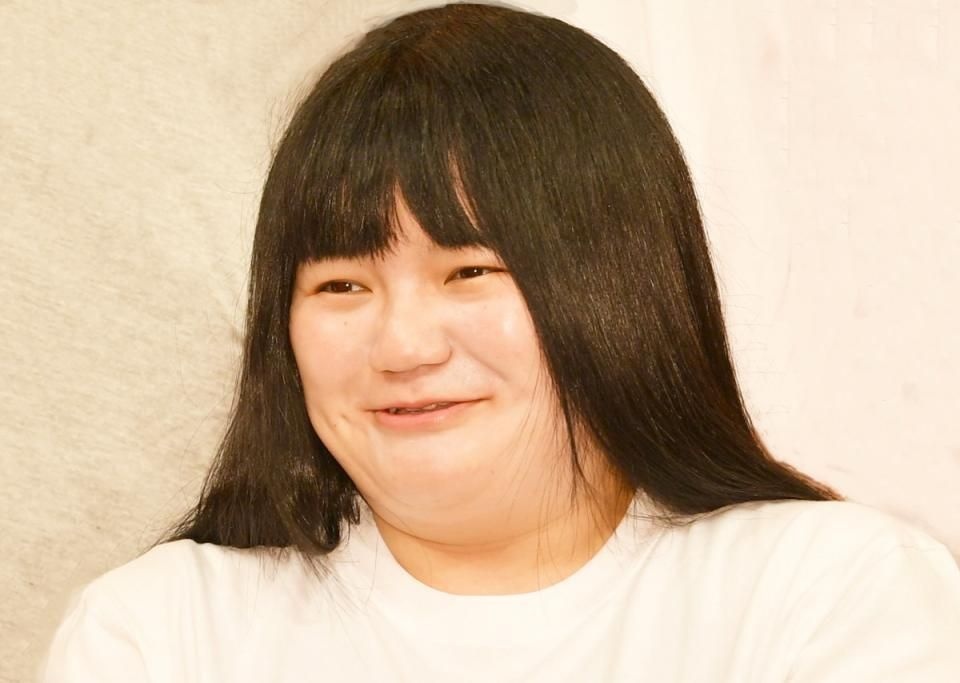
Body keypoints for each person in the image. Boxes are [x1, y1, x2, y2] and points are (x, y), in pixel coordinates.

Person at [41, 2, 960, 681]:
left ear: (620, 282)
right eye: (341, 285)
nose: (402, 345)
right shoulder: (160, 633)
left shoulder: (828, 593)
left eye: (470, 270)